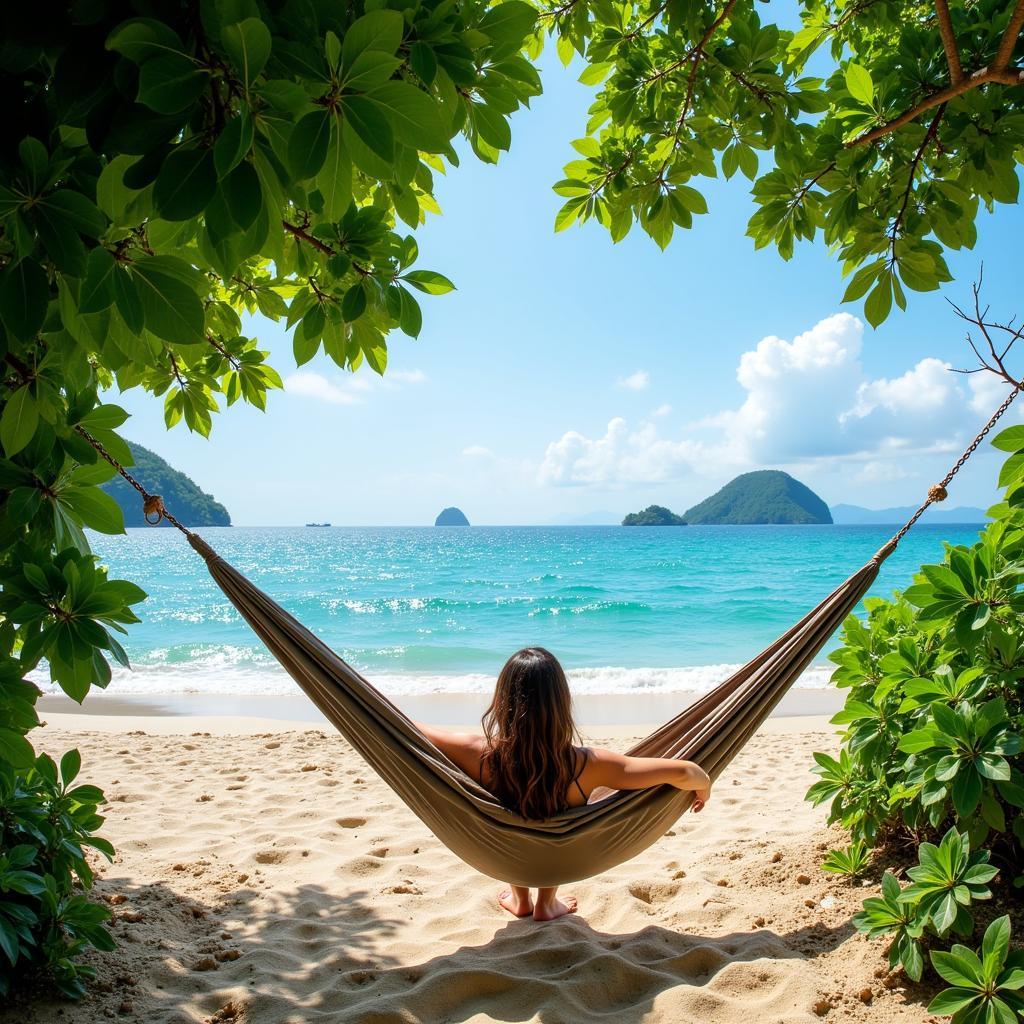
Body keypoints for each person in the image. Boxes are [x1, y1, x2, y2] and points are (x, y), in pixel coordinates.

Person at [415, 646, 711, 922]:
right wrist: (704, 784)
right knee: (554, 823)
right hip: (560, 860)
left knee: (515, 822)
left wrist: (371, 713)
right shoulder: (590, 765)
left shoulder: (477, 752)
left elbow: (409, 730)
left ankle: (520, 900)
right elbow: (686, 773)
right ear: (562, 701)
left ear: (502, 700)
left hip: (504, 858)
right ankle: (546, 903)